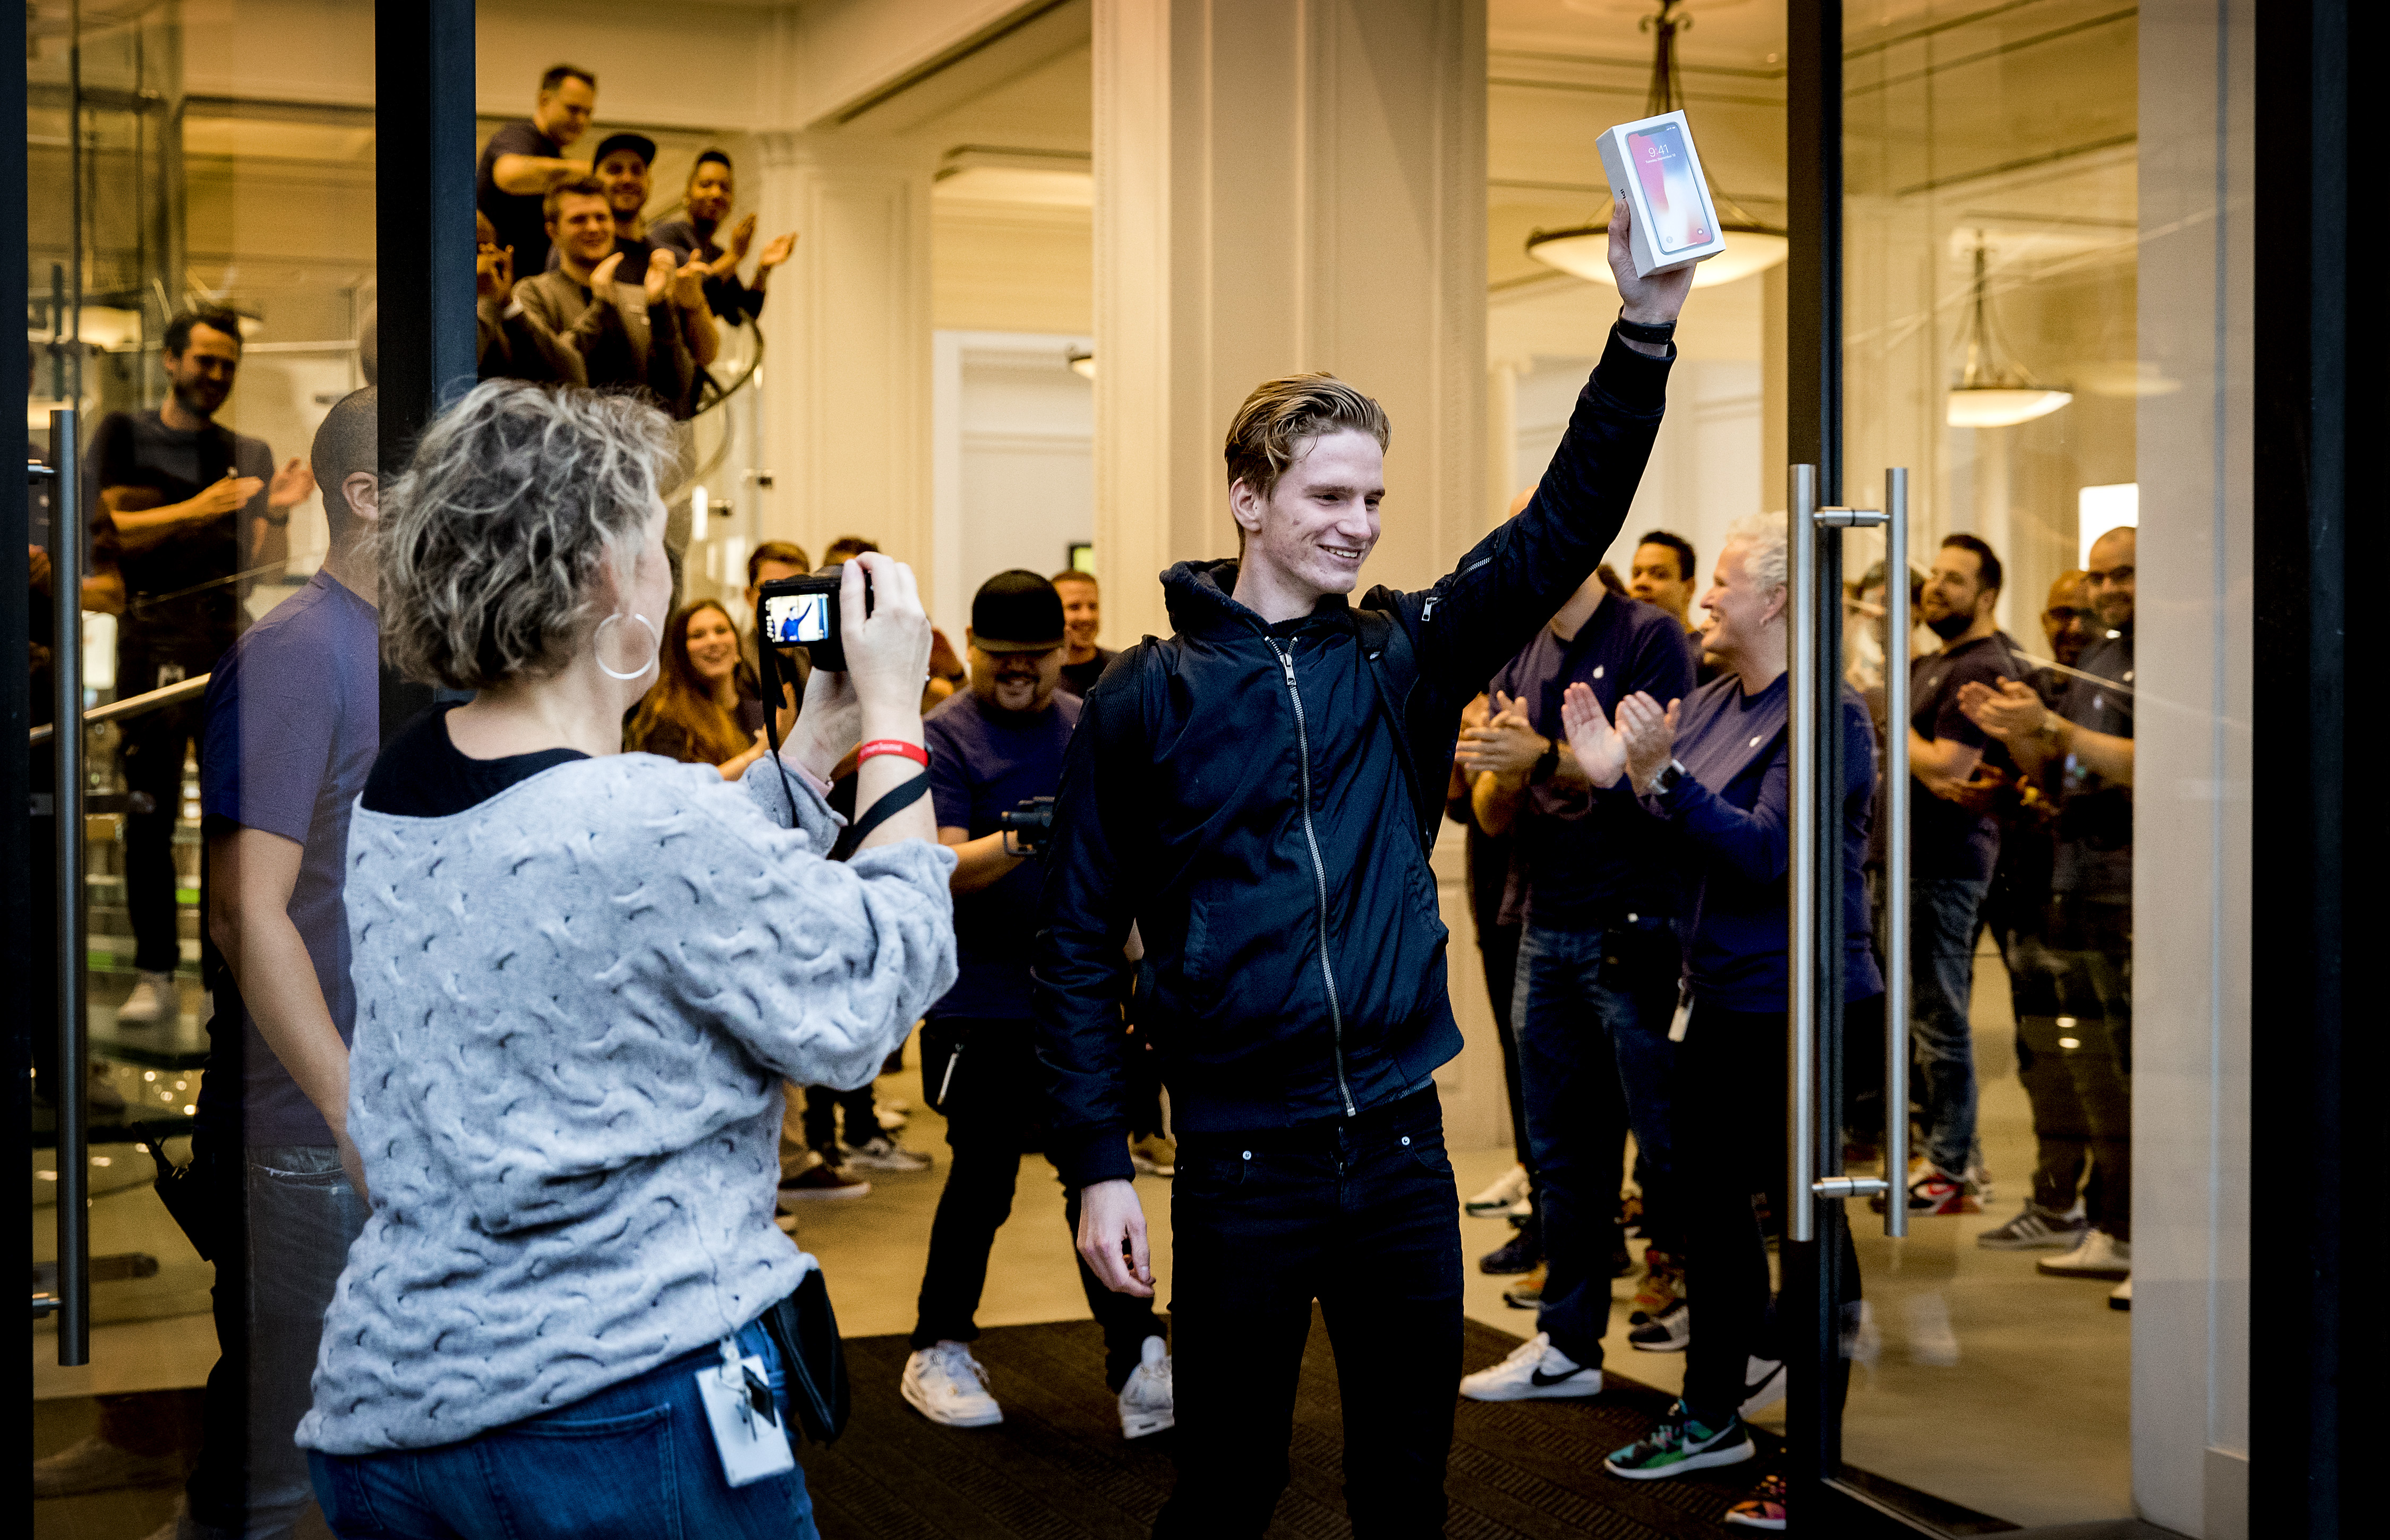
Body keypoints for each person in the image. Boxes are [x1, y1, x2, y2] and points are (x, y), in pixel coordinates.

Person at [1038, 206, 1689, 1537]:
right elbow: (1072, 945)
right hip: (1237, 1160)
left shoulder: (1402, 654)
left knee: (1405, 1488)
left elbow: (1561, 523)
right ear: (1247, 500)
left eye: (1373, 500)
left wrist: (1642, 330)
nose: (1357, 527)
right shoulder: (1142, 697)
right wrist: (1097, 1161)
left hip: (1398, 1148)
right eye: (1328, 497)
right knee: (1226, 1486)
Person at [293, 379, 957, 1537]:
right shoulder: (649, 823)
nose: (668, 572)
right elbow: (865, 1001)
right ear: (607, 574)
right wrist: (899, 721)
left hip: (391, 1412)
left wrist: (810, 753)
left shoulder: (404, 784)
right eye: (655, 545)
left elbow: (597, 881)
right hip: (628, 1413)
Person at [1563, 512, 1880, 1526]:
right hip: (1718, 998)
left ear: (1777, 602)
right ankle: (1713, 1416)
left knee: (1805, 1230)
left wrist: (1665, 781)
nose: (1704, 600)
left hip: (1800, 1007)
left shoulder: (1830, 718)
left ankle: (1817, 1459)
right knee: (1706, 1213)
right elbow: (1662, 816)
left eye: (1723, 585)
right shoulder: (1707, 701)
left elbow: (1764, 853)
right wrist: (1610, 774)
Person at [138, 388, 380, 1540]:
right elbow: (245, 910)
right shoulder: (298, 650)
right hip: (303, 1130)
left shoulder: (421, 648)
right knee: (272, 1476)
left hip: (382, 1116)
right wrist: (348, 1112)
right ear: (368, 495)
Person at [900, 572, 1174, 1439]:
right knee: (980, 1182)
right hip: (980, 1005)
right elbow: (936, 870)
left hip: (1083, 1001)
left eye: (1035, 657)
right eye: (1000, 658)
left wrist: (1150, 982)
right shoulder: (942, 738)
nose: (1018, 671)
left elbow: (1122, 868)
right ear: (973, 652)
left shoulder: (1087, 725)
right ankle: (936, 1346)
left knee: (1100, 1180)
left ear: (1064, 654)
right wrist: (1022, 837)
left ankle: (1137, 1363)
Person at [1454, 561, 1696, 1403]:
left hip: (1635, 926)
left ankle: (1724, 1326)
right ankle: (1567, 1343)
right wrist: (1501, 766)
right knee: (1560, 1148)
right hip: (1544, 922)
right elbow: (1489, 815)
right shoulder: (1516, 653)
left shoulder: (1649, 636)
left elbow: (1654, 786)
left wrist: (1542, 754)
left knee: (1669, 1145)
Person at [89, 306, 316, 1026]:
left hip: (226, 647)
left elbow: (260, 573)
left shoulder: (245, 449)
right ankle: (155, 972)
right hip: (148, 642)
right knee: (148, 813)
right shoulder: (122, 434)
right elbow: (96, 529)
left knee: (235, 814)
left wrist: (278, 514)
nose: (216, 375)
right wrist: (198, 507)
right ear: (169, 360)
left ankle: (228, 983)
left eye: (228, 364)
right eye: (205, 360)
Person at [1960, 527, 2136, 1306]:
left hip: (2134, 888)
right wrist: (2023, 737)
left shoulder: (2166, 657)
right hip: (2077, 883)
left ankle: (2139, 1231)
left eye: (2124, 575)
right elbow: (2065, 777)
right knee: (2090, 1070)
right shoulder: (2093, 661)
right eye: (2102, 579)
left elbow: (2150, 758)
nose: (2109, 592)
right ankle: (2113, 1225)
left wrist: (2054, 731)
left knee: (2135, 1071)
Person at [1972, 570, 2101, 1252]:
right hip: (2032, 897)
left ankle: (2108, 1213)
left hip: (2095, 908)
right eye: (2060, 614)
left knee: (2100, 1066)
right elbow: (2048, 787)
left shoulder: (2112, 692)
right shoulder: (2045, 688)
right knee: (2043, 1058)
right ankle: (2057, 1201)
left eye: (2083, 612)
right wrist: (2011, 789)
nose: (2070, 626)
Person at [1900, 533, 2018, 1215]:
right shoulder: (1931, 662)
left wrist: (1889, 720)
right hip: (1910, 862)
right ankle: (1943, 1150)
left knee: (1939, 1017)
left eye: (1954, 578)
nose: (1936, 587)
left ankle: (1953, 1165)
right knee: (1919, 1016)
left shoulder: (1983, 665)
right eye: (1934, 576)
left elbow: (1949, 768)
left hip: (1945, 868)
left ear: (1988, 593)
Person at [512, 178, 704, 416]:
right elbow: (549, 373)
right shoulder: (533, 293)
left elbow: (677, 386)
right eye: (578, 220)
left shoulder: (637, 295)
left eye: (602, 217)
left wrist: (659, 307)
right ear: (553, 232)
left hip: (636, 446)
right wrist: (600, 307)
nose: (593, 228)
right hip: (567, 445)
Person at [559, 133, 721, 371]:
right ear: (595, 181)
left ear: (649, 182)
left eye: (637, 171)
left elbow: (707, 355)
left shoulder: (674, 261)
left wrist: (694, 304)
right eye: (615, 170)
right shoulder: (577, 255)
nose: (627, 179)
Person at [626, 598, 774, 777]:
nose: (713, 641)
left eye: (721, 631)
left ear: (737, 647)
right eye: (698, 635)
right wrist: (755, 755)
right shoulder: (666, 720)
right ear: (682, 654)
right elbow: (678, 791)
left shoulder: (762, 712)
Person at [474, 64, 596, 280]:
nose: (581, 121)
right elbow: (510, 175)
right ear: (544, 100)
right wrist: (596, 171)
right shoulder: (518, 137)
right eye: (573, 109)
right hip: (493, 288)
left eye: (588, 113)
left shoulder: (555, 156)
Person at [650, 150, 796, 326]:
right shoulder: (666, 235)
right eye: (706, 185)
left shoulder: (718, 253)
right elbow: (692, 292)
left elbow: (743, 315)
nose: (716, 194)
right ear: (687, 193)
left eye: (725, 188)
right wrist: (734, 256)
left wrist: (764, 269)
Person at [1049, 568, 1116, 698]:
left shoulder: (1123, 670)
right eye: (1074, 607)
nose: (1087, 617)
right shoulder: (1042, 679)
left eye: (1093, 607)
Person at [1627, 529, 1698, 631]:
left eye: (1659, 575)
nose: (1641, 583)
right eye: (1636, 574)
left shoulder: (1706, 647)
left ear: (1689, 588)